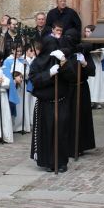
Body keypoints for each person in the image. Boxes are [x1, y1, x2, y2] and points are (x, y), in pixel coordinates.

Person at [29, 35, 72, 172]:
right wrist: (49, 74)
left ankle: (61, 161)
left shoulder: (60, 60)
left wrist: (64, 62)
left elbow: (72, 77)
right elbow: (34, 80)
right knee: (46, 132)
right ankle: (48, 161)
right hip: (45, 103)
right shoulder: (37, 62)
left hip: (60, 102)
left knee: (61, 132)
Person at [62, 28, 96, 157]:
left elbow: (91, 70)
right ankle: (66, 144)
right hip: (67, 89)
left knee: (80, 116)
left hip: (81, 88)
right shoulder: (64, 51)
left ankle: (80, 145)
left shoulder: (82, 51)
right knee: (67, 117)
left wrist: (84, 63)